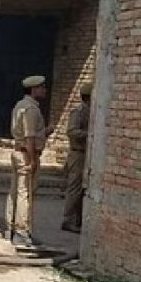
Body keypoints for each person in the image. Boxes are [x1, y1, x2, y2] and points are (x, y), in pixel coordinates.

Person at [6, 75, 53, 247]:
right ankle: (21, 231)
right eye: (42, 87)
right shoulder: (31, 109)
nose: (44, 90)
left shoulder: (20, 105)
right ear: (34, 90)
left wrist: (45, 132)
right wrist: (33, 160)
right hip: (26, 154)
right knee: (25, 193)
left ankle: (10, 227)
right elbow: (29, 136)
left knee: (15, 191)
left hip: (19, 151)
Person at [62, 80, 92, 233]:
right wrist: (88, 135)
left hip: (86, 154)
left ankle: (78, 220)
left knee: (82, 188)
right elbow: (71, 131)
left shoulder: (91, 111)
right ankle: (68, 219)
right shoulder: (79, 112)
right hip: (77, 153)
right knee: (74, 188)